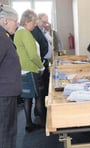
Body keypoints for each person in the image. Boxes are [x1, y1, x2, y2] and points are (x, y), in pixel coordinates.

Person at [14, 9, 44, 132]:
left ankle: (29, 123)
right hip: (31, 69)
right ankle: (44, 123)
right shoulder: (25, 33)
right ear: (26, 21)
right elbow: (32, 55)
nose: (35, 25)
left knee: (27, 98)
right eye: (33, 22)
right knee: (38, 97)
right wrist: (41, 66)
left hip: (23, 70)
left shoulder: (18, 32)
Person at [0, 4, 21, 148]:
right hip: (4, 94)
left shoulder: (4, 36)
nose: (17, 24)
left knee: (9, 130)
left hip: (8, 93)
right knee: (6, 132)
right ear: (5, 20)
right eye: (15, 21)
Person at [31, 13, 50, 124]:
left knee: (44, 89)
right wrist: (42, 63)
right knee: (41, 92)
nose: (45, 24)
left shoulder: (41, 30)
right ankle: (42, 115)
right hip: (40, 64)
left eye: (46, 22)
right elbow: (37, 51)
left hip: (44, 62)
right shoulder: (34, 31)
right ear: (37, 20)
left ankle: (41, 111)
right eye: (43, 22)